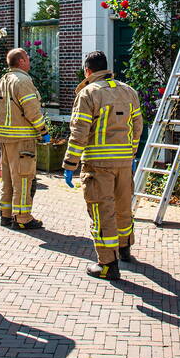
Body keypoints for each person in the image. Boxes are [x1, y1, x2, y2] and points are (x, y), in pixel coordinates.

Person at [62, 50, 143, 281]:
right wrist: (130, 153)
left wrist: (70, 163)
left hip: (98, 165)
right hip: (124, 162)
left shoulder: (88, 93)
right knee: (123, 207)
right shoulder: (129, 91)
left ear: (87, 70)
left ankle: (107, 264)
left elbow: (79, 132)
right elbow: (137, 126)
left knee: (102, 211)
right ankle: (125, 248)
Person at [0, 47, 49, 230]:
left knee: (7, 178)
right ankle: (22, 218)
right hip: (22, 138)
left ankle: (6, 215)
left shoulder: (4, 80)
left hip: (5, 138)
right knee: (23, 178)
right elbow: (32, 110)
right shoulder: (23, 81)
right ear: (21, 61)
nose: (29, 60)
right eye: (27, 57)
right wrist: (43, 130)